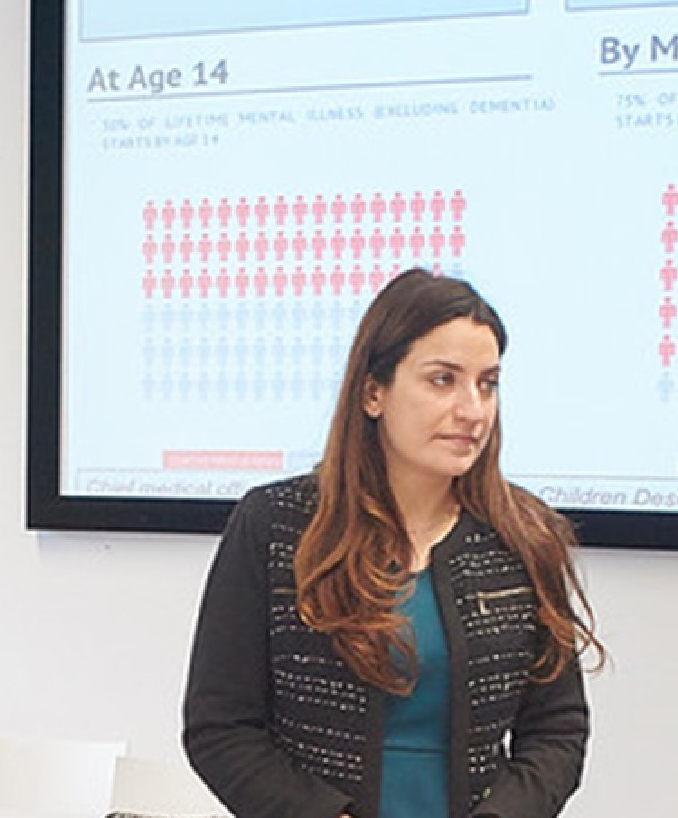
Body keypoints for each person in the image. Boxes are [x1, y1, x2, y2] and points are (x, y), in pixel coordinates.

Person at [185, 268, 604, 818]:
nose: (472, 410)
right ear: (373, 392)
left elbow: (557, 731)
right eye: (442, 380)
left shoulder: (524, 536)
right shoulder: (276, 525)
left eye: (487, 383)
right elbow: (221, 728)